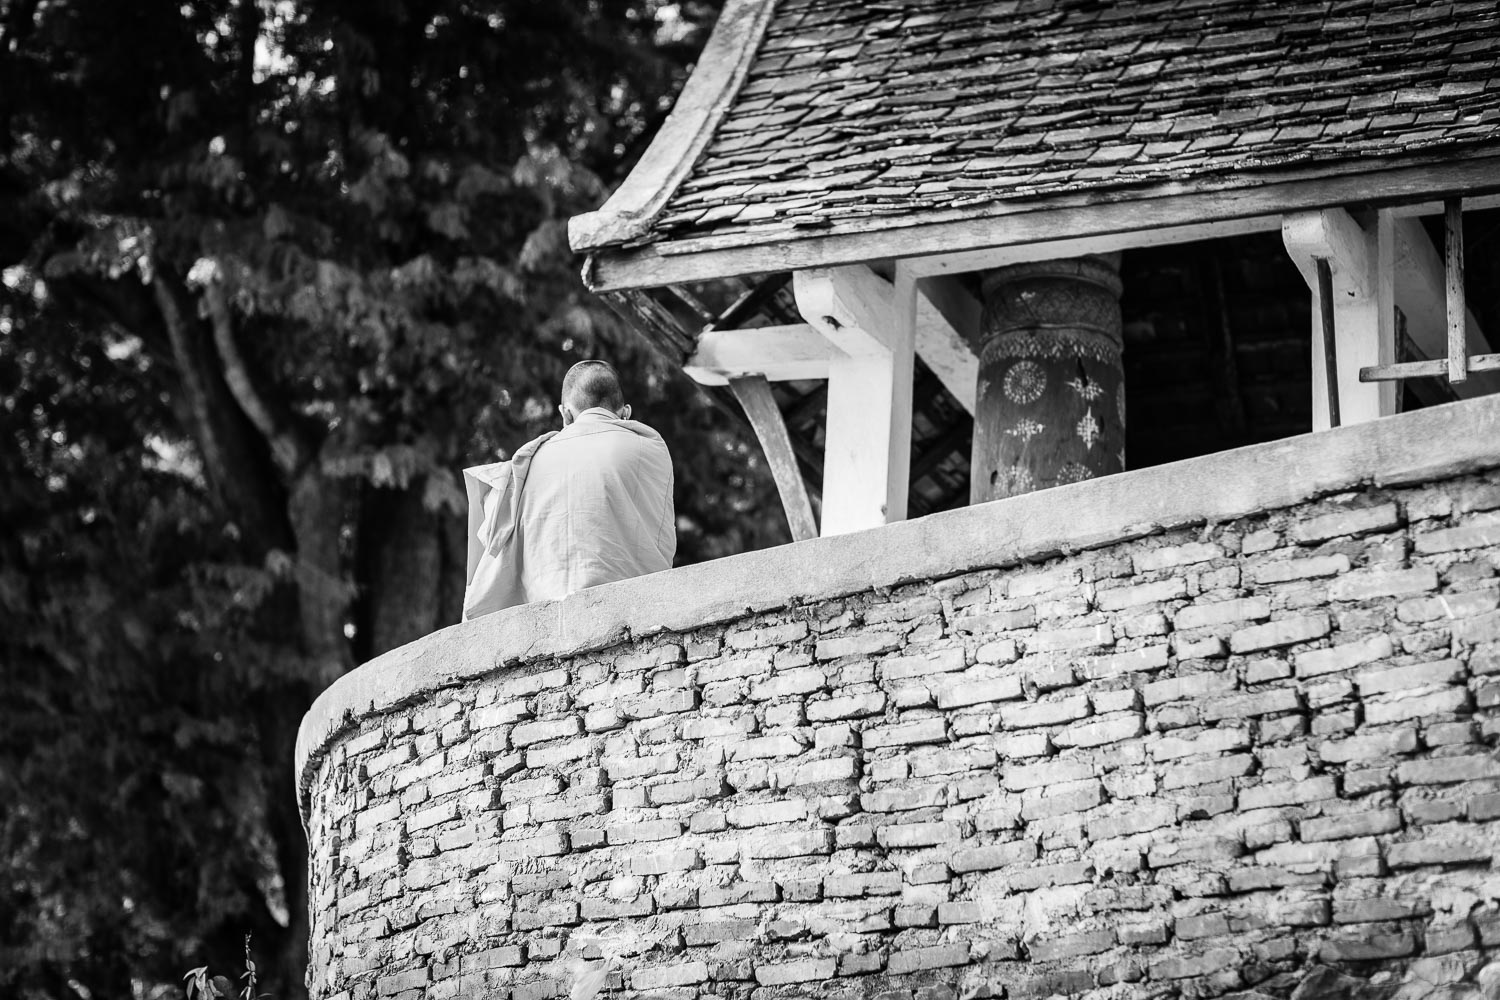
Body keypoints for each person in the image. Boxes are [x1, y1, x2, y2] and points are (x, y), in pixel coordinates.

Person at [462, 360, 676, 620]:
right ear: (626, 412)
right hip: (635, 608)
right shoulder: (650, 446)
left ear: (566, 414)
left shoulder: (529, 463)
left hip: (547, 613)